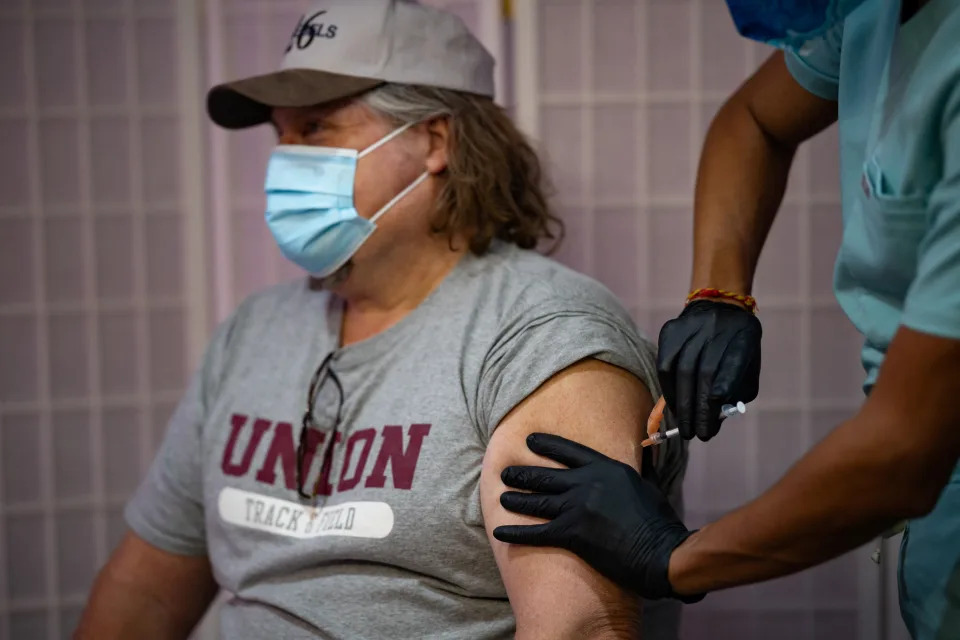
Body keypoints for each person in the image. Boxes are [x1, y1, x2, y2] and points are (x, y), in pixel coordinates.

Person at [74, 1, 688, 638]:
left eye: (315, 129)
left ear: (435, 140)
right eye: (279, 135)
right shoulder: (253, 333)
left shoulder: (542, 339)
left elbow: (579, 629)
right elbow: (144, 593)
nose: (283, 161)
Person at [494, 0, 960, 637]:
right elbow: (754, 121)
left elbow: (906, 454)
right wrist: (721, 294)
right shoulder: (869, 16)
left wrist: (671, 557)